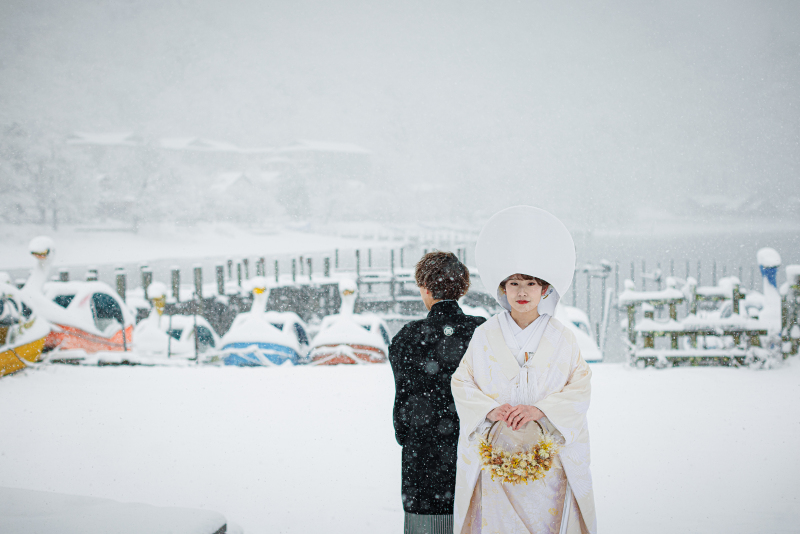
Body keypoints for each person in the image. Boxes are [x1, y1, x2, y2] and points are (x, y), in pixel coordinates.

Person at [451, 206, 597, 534]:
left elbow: (580, 387)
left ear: (544, 290)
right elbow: (462, 382)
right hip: (497, 454)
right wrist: (491, 409)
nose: (521, 292)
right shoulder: (485, 335)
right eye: (513, 283)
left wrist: (540, 411)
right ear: (503, 288)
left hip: (548, 461)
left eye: (530, 283)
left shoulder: (562, 337)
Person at [390, 251, 487, 534]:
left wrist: (411, 434)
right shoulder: (481, 330)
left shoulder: (407, 337)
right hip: (475, 451)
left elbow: (403, 409)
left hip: (423, 459)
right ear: (462, 287)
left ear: (424, 287)